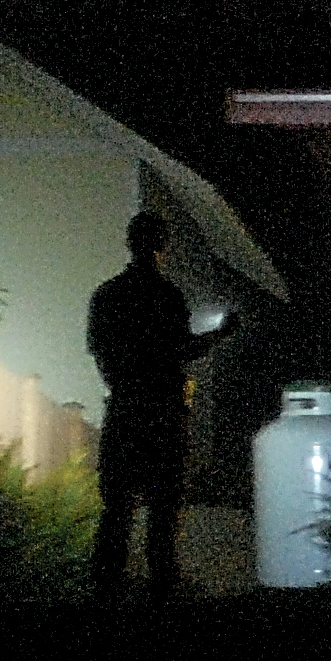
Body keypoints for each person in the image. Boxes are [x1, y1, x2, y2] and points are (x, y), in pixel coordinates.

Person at [87, 213, 236, 604]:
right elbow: (182, 349)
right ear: (162, 245)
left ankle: (106, 585)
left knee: (118, 503)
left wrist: (123, 385)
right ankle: (162, 582)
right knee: (164, 502)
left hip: (125, 410)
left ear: (129, 242)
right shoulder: (166, 295)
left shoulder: (106, 295)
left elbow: (100, 352)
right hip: (162, 414)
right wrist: (219, 334)